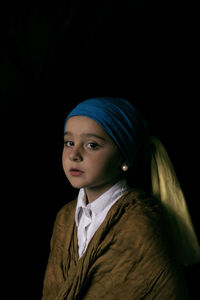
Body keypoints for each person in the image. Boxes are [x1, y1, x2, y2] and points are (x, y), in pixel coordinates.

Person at [42, 97, 200, 300]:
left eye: (92, 145)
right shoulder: (64, 218)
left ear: (123, 157)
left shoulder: (139, 222)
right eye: (69, 143)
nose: (74, 155)